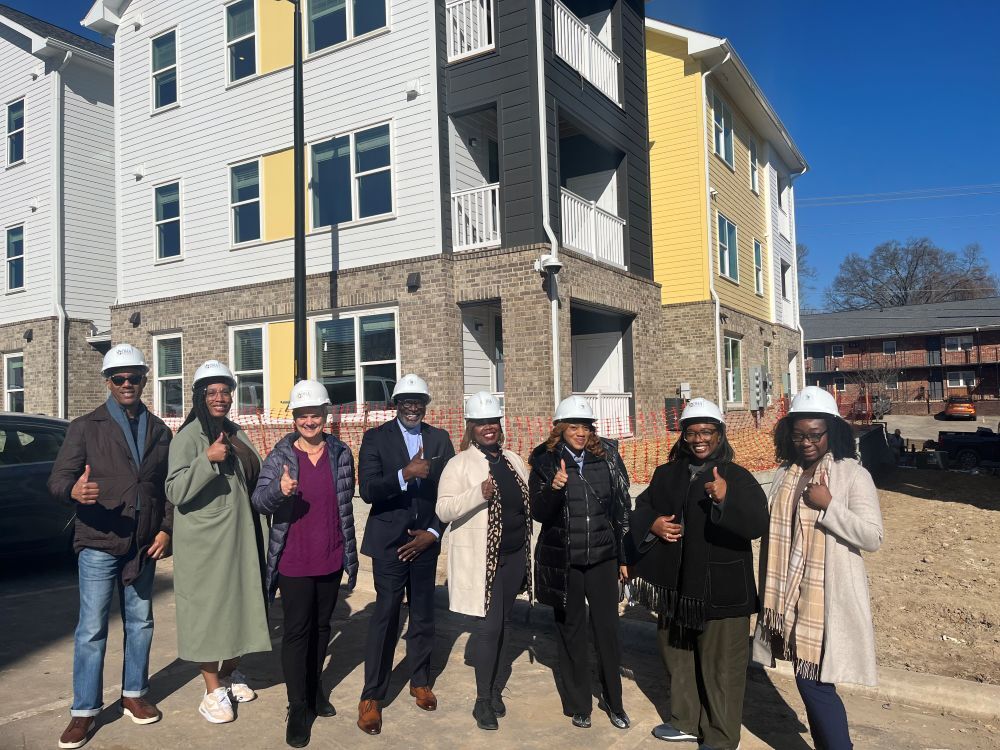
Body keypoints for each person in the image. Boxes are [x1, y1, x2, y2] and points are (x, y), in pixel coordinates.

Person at [49, 344, 173, 749]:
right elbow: (58, 479)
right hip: (99, 540)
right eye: (118, 378)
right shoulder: (86, 426)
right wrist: (73, 490)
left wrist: (165, 530)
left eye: (134, 377)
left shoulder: (159, 429)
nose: (126, 384)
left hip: (143, 544)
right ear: (108, 381)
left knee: (140, 623)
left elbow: (165, 488)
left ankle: (134, 694)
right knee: (91, 629)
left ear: (143, 380)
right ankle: (84, 711)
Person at [629, 398, 768, 749]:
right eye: (691, 432)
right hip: (674, 588)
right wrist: (653, 524)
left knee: (722, 667)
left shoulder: (737, 476)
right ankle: (685, 720)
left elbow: (756, 524)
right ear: (683, 436)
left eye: (707, 432)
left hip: (720, 591)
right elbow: (641, 508)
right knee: (677, 656)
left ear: (720, 435)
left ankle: (721, 736)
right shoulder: (667, 473)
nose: (699, 439)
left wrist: (724, 500)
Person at [753, 386, 884, 750]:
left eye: (815, 434)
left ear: (832, 432)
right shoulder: (785, 475)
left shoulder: (852, 476)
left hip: (826, 599)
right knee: (808, 679)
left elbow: (872, 537)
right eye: (798, 435)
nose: (806, 443)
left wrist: (828, 506)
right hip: (788, 596)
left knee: (815, 682)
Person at [251, 380, 358, 748]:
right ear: (294, 418)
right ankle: (298, 706)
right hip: (294, 560)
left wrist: (348, 553)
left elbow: (345, 508)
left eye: (316, 414)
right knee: (297, 632)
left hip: (329, 555)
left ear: (326, 415)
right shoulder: (280, 456)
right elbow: (258, 501)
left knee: (323, 627)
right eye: (303, 415)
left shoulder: (341, 453)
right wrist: (278, 492)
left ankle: (315, 691)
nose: (310, 421)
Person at [165, 360, 271, 724]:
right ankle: (212, 690)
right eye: (212, 392)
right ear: (199, 396)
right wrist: (206, 461)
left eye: (225, 391)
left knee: (243, 606)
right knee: (210, 614)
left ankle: (229, 673)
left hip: (242, 537)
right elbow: (175, 490)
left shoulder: (236, 431)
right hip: (207, 543)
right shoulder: (189, 437)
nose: (220, 398)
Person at [356, 373, 455, 735]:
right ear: (395, 405)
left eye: (419, 402)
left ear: (426, 405)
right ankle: (372, 696)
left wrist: (433, 532)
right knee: (386, 617)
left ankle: (419, 680)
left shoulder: (440, 439)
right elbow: (367, 489)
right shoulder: (375, 438)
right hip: (389, 545)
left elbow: (450, 492)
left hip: (425, 542)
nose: (413, 407)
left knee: (425, 615)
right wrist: (405, 473)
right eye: (406, 401)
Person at [529, 395, 635, 730]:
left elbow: (621, 509)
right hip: (566, 560)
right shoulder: (545, 461)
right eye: (573, 426)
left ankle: (614, 702)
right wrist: (555, 488)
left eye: (585, 426)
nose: (580, 432)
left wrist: (623, 556)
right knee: (570, 632)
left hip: (603, 558)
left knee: (607, 632)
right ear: (560, 429)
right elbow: (539, 512)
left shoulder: (607, 457)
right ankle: (579, 704)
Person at [437, 392, 532, 731]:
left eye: (493, 422)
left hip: (514, 557)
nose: (489, 428)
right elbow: (444, 509)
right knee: (489, 629)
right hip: (484, 563)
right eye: (481, 423)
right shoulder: (459, 464)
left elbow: (527, 502)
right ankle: (482, 701)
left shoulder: (513, 459)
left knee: (505, 626)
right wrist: (478, 493)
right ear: (471, 427)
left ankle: (494, 690)